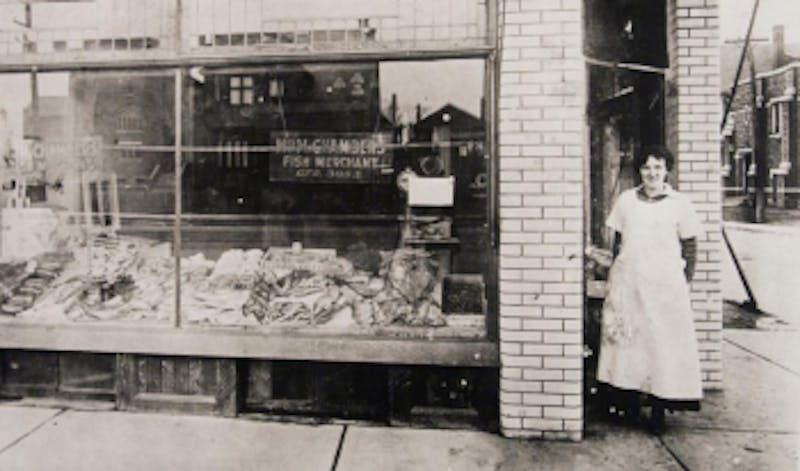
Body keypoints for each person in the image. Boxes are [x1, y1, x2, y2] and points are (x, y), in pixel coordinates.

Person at [597, 145, 703, 434]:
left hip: (665, 289)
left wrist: (683, 283)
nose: (652, 173)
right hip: (630, 284)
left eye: (658, 167)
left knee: (661, 347)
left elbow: (690, 247)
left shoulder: (680, 203)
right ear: (639, 171)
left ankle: (659, 410)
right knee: (629, 345)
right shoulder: (627, 201)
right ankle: (629, 405)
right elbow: (617, 244)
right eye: (646, 168)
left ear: (667, 169)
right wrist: (616, 278)